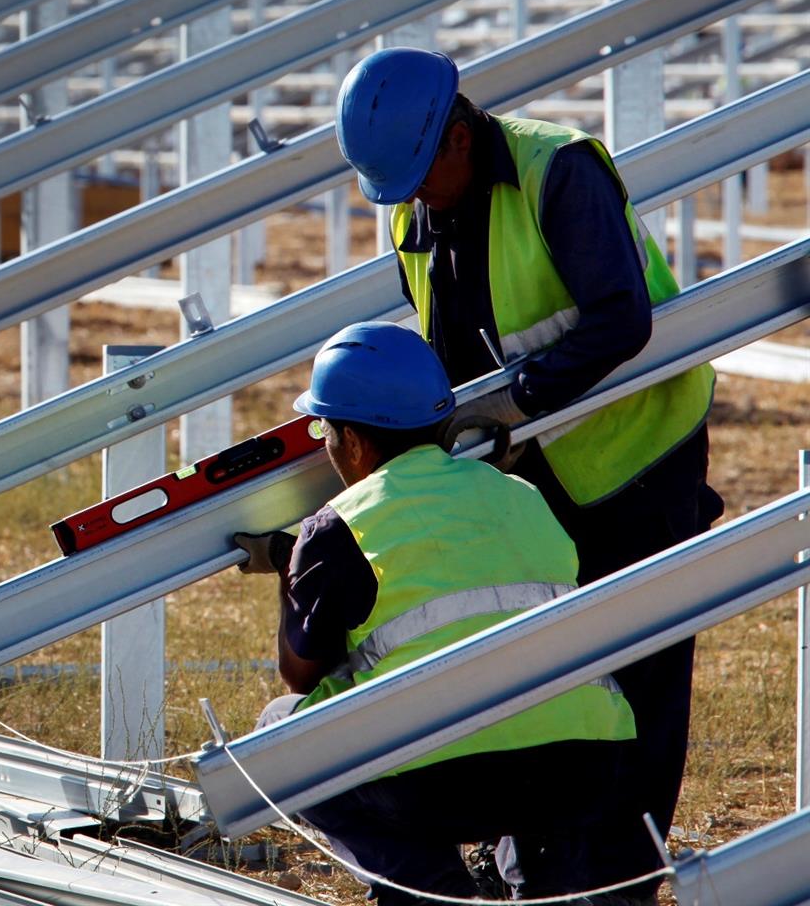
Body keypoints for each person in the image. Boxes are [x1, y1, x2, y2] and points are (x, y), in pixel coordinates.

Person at [334, 46, 719, 897]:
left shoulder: (559, 172)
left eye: (419, 180)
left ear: (460, 139)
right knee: (535, 676)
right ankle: (533, 874)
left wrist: (517, 405)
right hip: (527, 482)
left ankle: (618, 884)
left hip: (633, 462)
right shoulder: (412, 214)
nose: (413, 204)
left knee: (637, 686)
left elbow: (622, 317)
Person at [232, 321, 636, 903]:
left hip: (446, 783)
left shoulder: (341, 524)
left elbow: (302, 673)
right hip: (586, 765)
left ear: (353, 441)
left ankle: (428, 890)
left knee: (279, 726)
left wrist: (293, 564)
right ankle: (549, 888)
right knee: (529, 712)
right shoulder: (518, 493)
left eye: (323, 427)